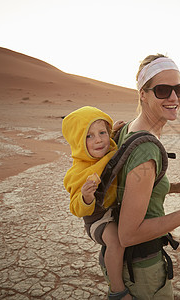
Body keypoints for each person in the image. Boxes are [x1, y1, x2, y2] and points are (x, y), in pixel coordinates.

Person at [101, 54, 180, 299]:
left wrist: (175, 186)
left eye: (179, 90)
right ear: (143, 94)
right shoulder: (146, 150)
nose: (174, 98)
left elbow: (130, 185)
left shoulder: (129, 129)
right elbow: (127, 234)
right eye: (162, 90)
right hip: (142, 273)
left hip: (131, 266)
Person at [62, 106, 131, 300]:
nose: (99, 140)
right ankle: (117, 290)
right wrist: (86, 197)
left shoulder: (109, 149)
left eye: (102, 133)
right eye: (89, 136)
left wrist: (115, 132)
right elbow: (75, 207)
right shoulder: (77, 172)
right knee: (115, 242)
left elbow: (113, 146)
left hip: (115, 210)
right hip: (97, 219)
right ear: (78, 142)